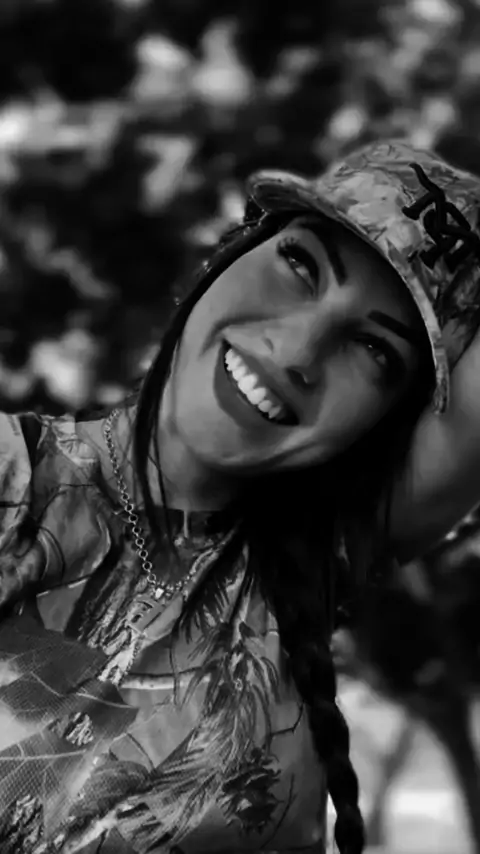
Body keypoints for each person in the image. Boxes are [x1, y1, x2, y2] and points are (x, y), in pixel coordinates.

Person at [1, 138, 480, 854]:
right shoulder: (13, 478)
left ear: (382, 429)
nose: (297, 350)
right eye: (301, 265)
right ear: (230, 254)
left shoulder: (308, 568)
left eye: (375, 349)